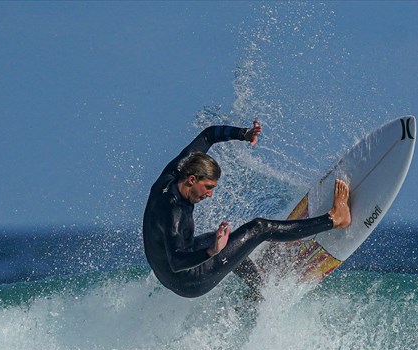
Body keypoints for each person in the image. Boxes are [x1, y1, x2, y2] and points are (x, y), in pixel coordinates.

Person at [143, 120, 351, 298]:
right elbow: (177, 261)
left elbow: (208, 135)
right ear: (191, 179)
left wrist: (243, 134)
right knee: (259, 228)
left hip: (166, 274)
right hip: (188, 281)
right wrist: (212, 251)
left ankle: (258, 291)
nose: (210, 194)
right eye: (208, 187)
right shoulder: (174, 213)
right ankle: (334, 220)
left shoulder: (175, 172)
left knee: (226, 240)